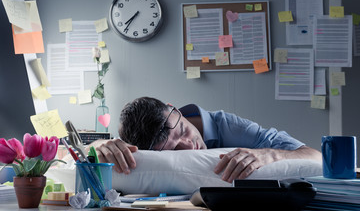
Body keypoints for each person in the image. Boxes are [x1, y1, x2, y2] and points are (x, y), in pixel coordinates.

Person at [91, 97, 321, 183]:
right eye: (173, 149)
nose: (190, 145)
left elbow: (315, 156)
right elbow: (83, 149)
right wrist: (98, 145)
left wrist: (270, 153)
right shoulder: (140, 142)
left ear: (175, 109)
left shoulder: (233, 128)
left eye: (183, 131)